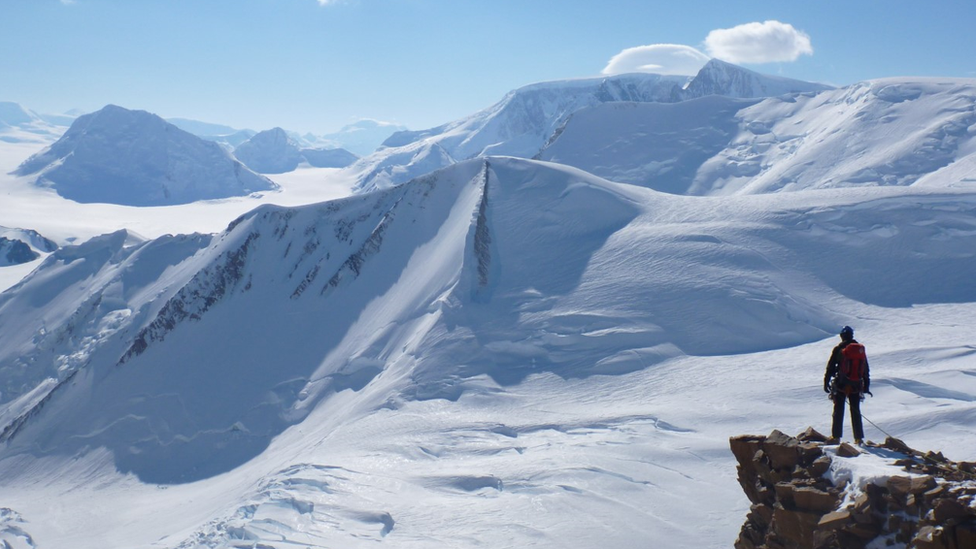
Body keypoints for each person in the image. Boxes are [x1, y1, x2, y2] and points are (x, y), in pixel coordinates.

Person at [823, 326, 871, 444]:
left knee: (838, 409)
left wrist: (826, 381)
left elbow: (830, 367)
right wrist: (866, 386)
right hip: (856, 385)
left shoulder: (839, 349)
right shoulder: (860, 350)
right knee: (855, 410)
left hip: (841, 383)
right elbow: (865, 369)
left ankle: (836, 436)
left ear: (842, 336)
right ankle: (858, 438)